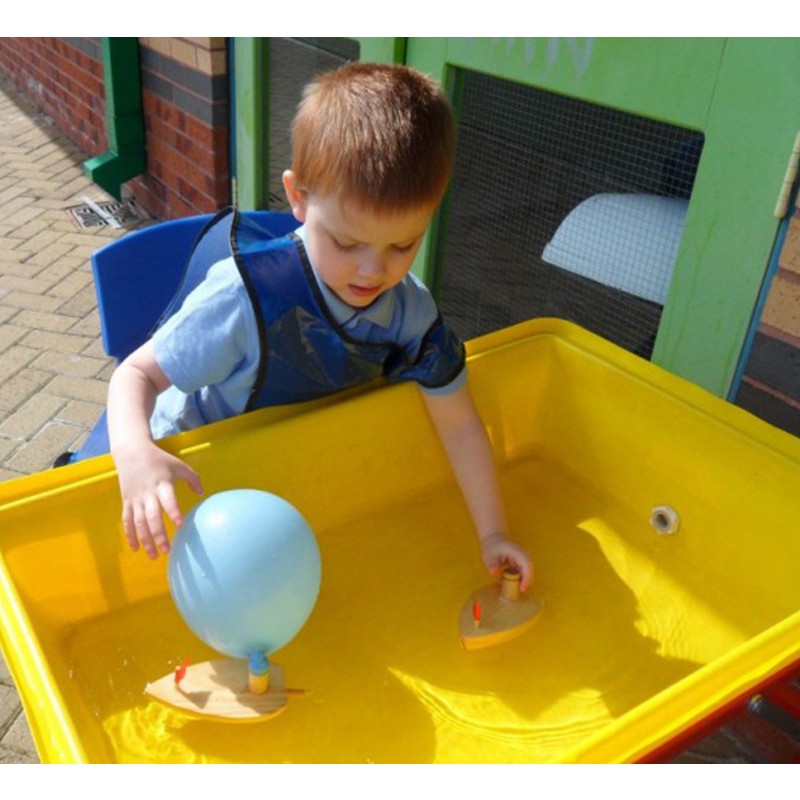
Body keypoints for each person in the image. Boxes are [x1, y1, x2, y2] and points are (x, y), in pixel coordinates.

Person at [107, 62, 533, 590]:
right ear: (298, 198)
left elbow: (460, 424)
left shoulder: (410, 315)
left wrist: (492, 534)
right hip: (196, 478)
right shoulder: (244, 296)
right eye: (348, 243)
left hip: (299, 477)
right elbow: (136, 376)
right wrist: (135, 455)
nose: (374, 271)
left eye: (403, 245)